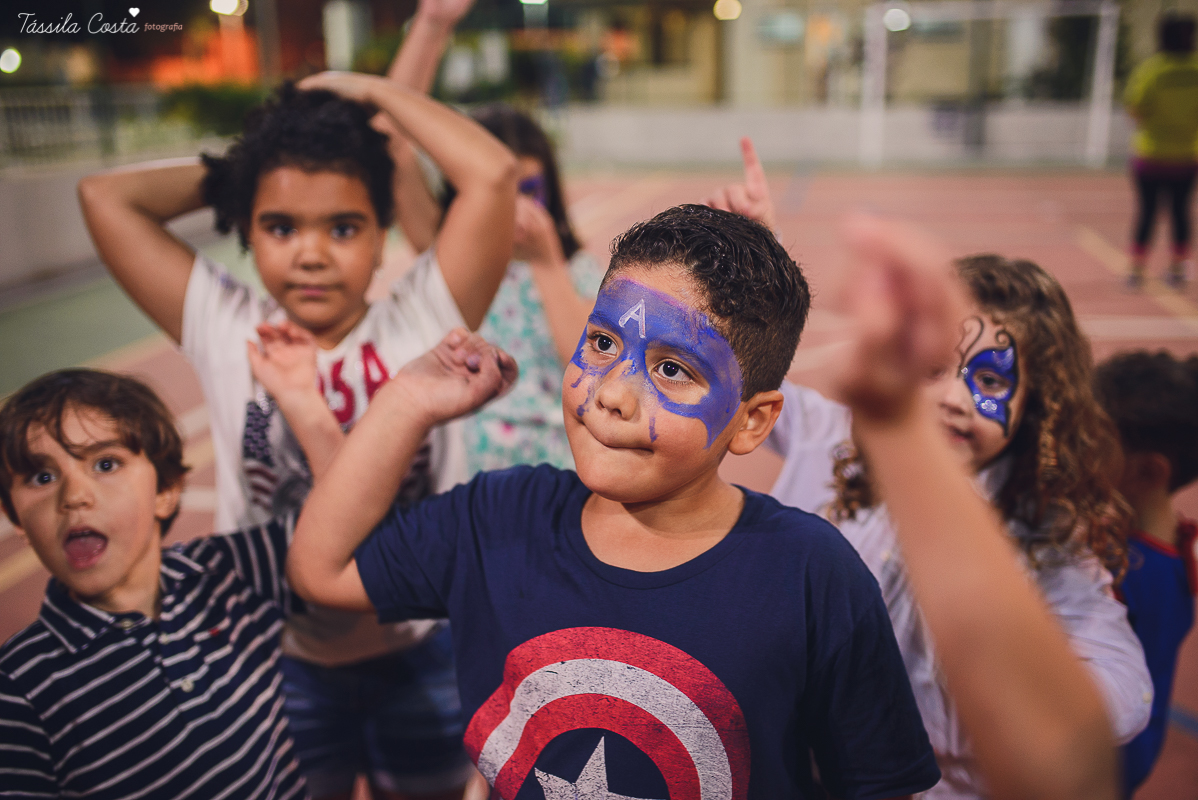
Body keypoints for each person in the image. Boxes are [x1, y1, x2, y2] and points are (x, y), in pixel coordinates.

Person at [284, 205, 943, 799]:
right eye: (602, 343)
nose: (611, 394)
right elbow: (320, 568)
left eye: (672, 369)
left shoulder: (811, 574)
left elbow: (879, 785)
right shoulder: (497, 519)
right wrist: (406, 403)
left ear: (752, 421)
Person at [77, 74, 517, 800]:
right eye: (281, 226)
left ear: (383, 237)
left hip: (420, 646)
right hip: (276, 656)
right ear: (247, 232)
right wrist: (258, 156)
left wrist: (366, 90)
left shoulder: (423, 320)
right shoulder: (231, 328)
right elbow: (104, 197)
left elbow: (491, 173)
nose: (310, 253)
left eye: (342, 227)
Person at [765, 254, 1152, 799]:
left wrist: (1010, 684)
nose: (953, 398)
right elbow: (751, 373)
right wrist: (760, 261)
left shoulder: (1044, 535)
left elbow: (1123, 692)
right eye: (933, 370)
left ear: (1035, 402)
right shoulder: (841, 438)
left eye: (990, 379)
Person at [0, 369, 307, 800]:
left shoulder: (227, 571)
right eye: (41, 477)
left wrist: (304, 402)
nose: (73, 495)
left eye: (105, 464)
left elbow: (341, 527)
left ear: (166, 490)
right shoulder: (18, 690)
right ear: (18, 520)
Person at [388, 0, 604, 473]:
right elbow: (394, 143)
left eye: (529, 189)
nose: (518, 210)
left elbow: (591, 366)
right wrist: (432, 25)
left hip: (560, 480)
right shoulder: (450, 260)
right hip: (469, 481)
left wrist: (546, 264)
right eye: (499, 195)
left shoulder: (578, 271)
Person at [1093, 350, 1198, 796]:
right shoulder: (1167, 543)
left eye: (1094, 443)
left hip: (1098, 768)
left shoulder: (1135, 575)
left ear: (1147, 470)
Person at [1125, 12, 1198, 289]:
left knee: (1147, 212)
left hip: (1151, 154)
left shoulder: (1152, 69)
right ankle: (1178, 269)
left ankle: (1136, 269)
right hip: (1186, 154)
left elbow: (1135, 108)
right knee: (1181, 212)